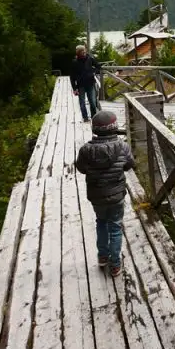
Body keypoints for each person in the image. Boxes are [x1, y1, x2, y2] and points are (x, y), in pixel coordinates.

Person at [74, 110, 135, 276]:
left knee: (101, 222)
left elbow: (80, 168)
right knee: (115, 227)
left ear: (95, 129)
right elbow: (129, 165)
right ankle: (115, 265)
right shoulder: (122, 146)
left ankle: (103, 257)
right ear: (114, 128)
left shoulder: (86, 150)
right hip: (116, 195)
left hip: (97, 195)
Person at [72, 44, 101, 122]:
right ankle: (85, 118)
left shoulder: (90, 58)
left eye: (84, 51)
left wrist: (93, 72)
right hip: (80, 85)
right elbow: (72, 76)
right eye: (82, 51)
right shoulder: (75, 62)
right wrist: (74, 88)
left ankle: (94, 117)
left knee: (92, 102)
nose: (84, 52)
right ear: (78, 53)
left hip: (90, 83)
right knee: (82, 103)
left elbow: (98, 66)